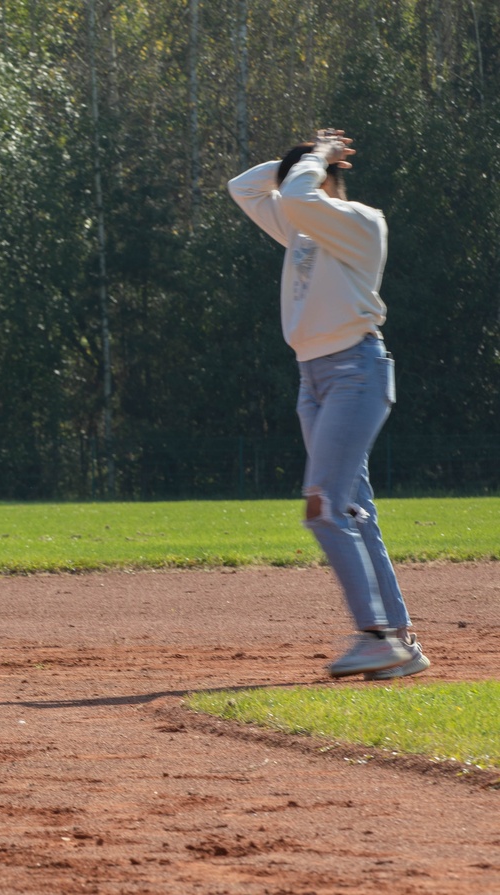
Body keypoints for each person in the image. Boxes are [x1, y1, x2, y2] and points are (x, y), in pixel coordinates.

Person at [227, 129, 430, 680]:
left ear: (325, 180)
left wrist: (316, 159)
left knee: (323, 505)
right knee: (351, 507)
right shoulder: (300, 227)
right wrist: (301, 156)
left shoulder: (362, 222)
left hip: (355, 372)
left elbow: (295, 195)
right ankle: (398, 642)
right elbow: (244, 188)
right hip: (313, 378)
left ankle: (378, 634)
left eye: (307, 173)